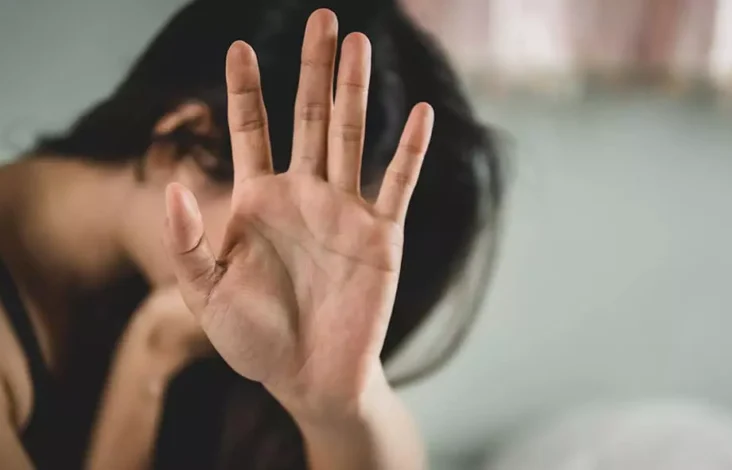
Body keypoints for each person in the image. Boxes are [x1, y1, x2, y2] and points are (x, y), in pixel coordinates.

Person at [0, 0, 503, 469]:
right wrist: (145, 371)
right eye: (297, 232)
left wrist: (341, 406)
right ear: (184, 139)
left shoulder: (186, 324)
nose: (307, 284)